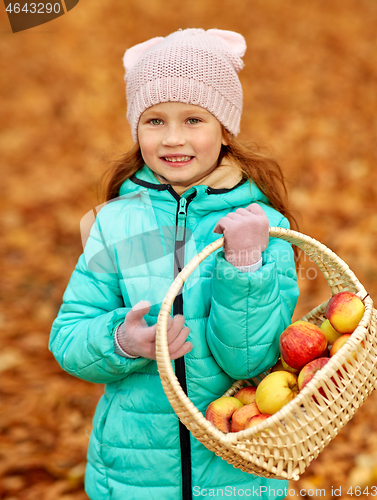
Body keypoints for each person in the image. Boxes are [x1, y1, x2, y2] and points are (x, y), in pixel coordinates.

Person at [50, 28, 300, 500]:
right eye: (154, 121)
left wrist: (244, 264)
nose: (172, 139)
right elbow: (68, 337)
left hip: (235, 471)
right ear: (136, 129)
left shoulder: (261, 225)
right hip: (132, 475)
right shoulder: (117, 223)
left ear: (225, 130)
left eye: (193, 120)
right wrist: (122, 341)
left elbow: (252, 360)